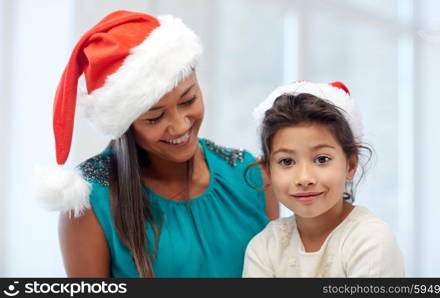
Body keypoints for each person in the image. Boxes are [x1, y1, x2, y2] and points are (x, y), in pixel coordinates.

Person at [37, 10, 278, 278]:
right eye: (154, 117)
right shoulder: (88, 203)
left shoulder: (250, 176)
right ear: (125, 124)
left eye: (188, 100)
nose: (180, 126)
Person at [242, 80, 405, 277]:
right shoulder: (265, 246)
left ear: (351, 165)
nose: (304, 178)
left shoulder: (370, 240)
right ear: (268, 170)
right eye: (286, 162)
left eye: (321, 159)